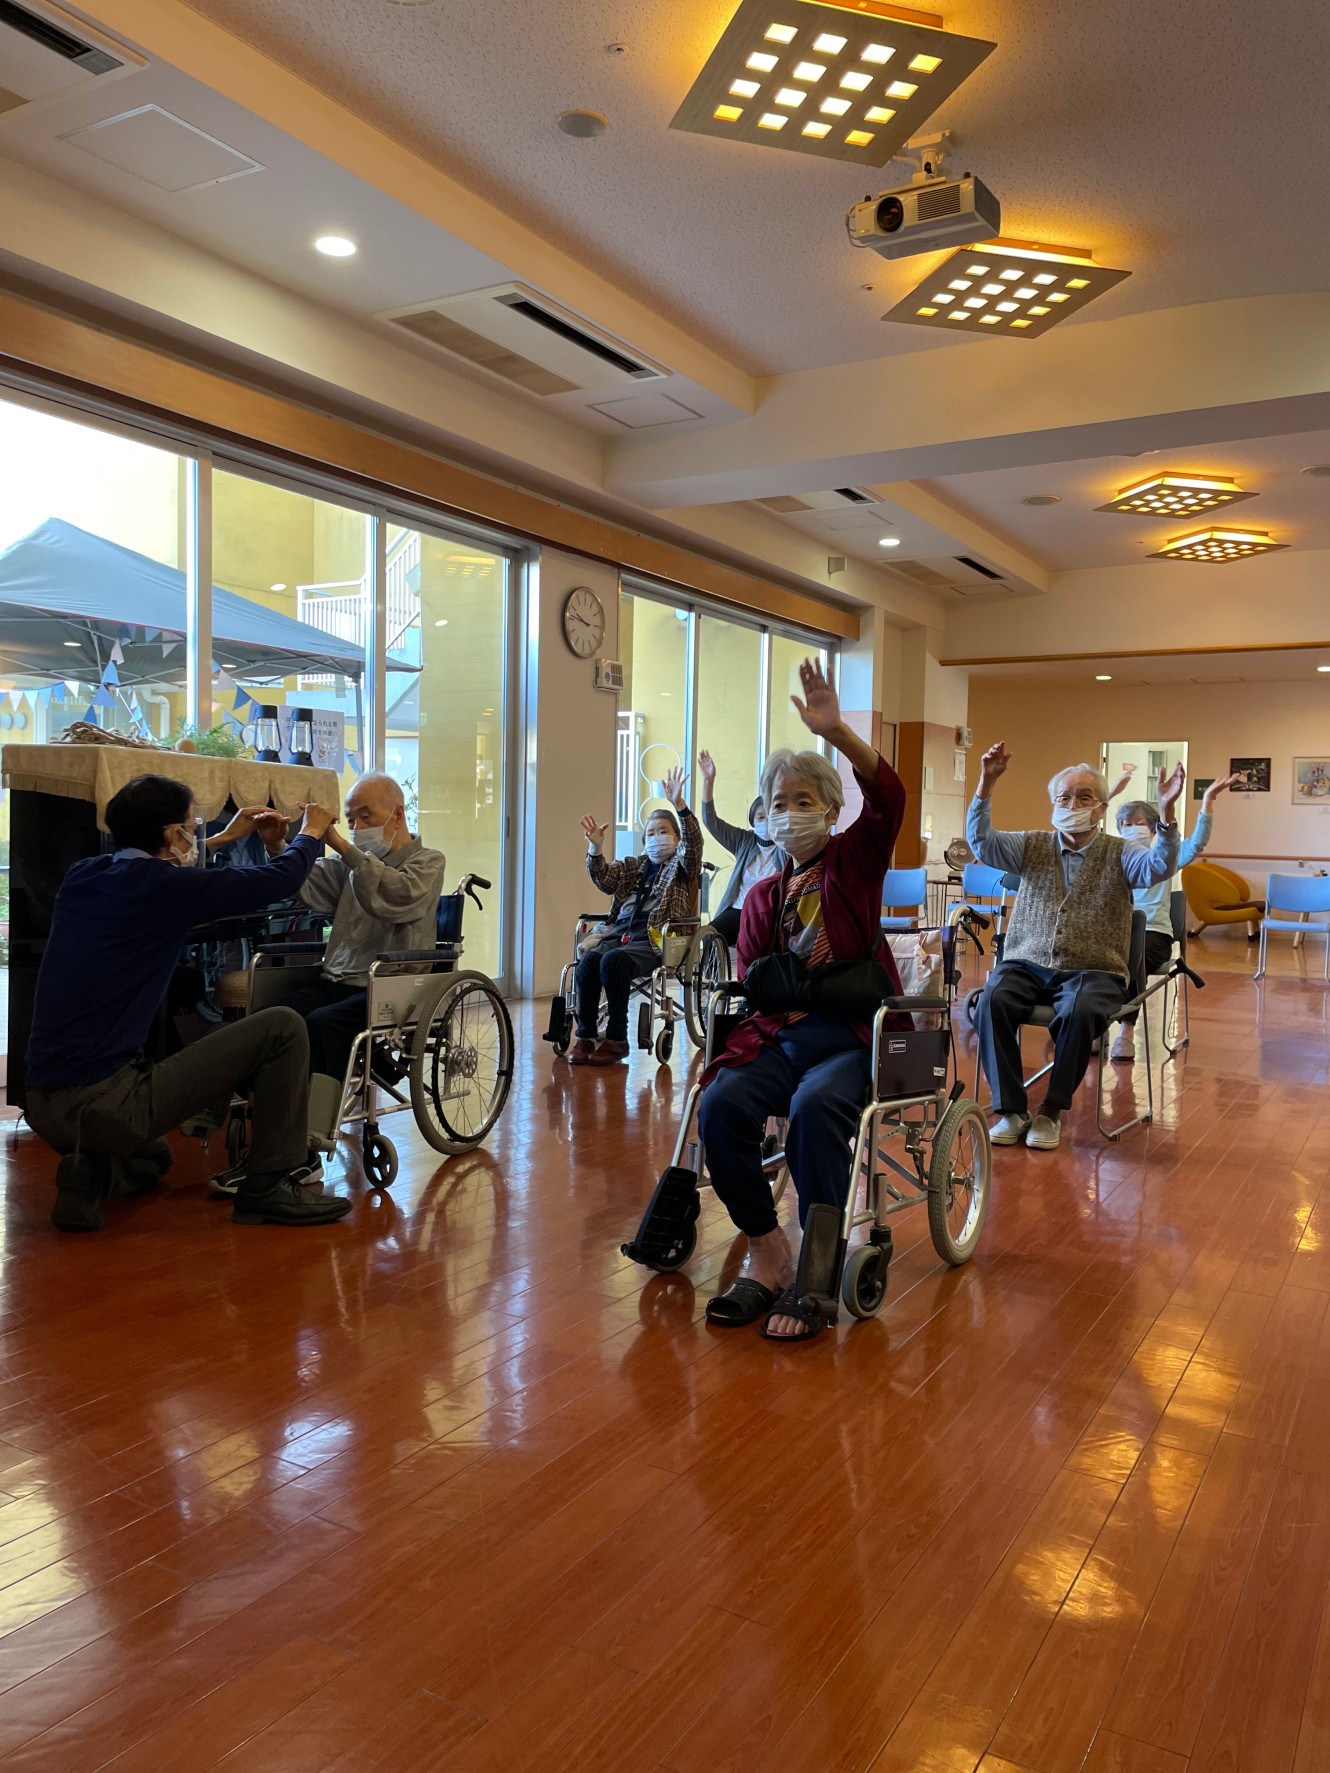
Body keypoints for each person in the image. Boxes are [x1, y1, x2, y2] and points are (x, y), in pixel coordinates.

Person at [23, 775, 351, 1231]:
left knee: (155, 1159)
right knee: (284, 1025)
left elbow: (164, 876)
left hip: (40, 1103)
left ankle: (89, 1172)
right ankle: (270, 1185)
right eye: (191, 827)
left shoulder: (86, 875)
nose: (194, 836)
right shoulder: (163, 888)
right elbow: (280, 880)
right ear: (172, 835)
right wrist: (311, 831)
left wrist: (223, 839)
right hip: (106, 1103)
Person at [698, 659, 906, 1343]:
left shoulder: (854, 863)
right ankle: (768, 1248)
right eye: (777, 802)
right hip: (780, 1039)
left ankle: (818, 1267)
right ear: (763, 813)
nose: (789, 813)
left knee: (817, 1109)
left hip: (850, 1038)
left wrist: (837, 732)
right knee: (720, 1104)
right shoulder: (762, 895)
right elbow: (756, 982)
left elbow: (890, 797)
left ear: (831, 808)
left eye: (803, 800)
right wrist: (800, 986)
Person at [968, 744, 1184, 1151]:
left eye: (1084, 798)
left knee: (1080, 1011)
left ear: (1101, 809)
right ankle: (1011, 1110)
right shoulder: (1030, 845)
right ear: (1053, 803)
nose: (1072, 805)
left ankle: (1050, 1110)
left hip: (1094, 967)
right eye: (1064, 797)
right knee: (992, 1000)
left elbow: (1159, 866)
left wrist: (1168, 813)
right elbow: (982, 843)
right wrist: (987, 782)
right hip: (1026, 961)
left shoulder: (1122, 853)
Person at [255, 771, 446, 1151]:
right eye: (350, 819)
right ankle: (268, 1120)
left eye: (365, 816)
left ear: (397, 815)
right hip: (338, 979)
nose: (356, 827)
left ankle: (312, 1137)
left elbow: (397, 897)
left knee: (322, 1024)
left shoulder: (427, 862)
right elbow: (307, 883)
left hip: (389, 987)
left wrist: (343, 846)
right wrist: (277, 845)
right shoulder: (348, 865)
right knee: (276, 1018)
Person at [571, 766, 702, 1065]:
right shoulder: (635, 866)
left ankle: (617, 1038)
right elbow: (605, 879)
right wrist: (595, 847)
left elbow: (694, 847)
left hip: (657, 936)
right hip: (622, 931)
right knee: (589, 962)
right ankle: (586, 1035)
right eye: (651, 833)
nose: (657, 837)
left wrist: (680, 806)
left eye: (663, 831)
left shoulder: (682, 867)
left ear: (677, 837)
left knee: (613, 961)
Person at [1108, 772, 1238, 1060]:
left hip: (1153, 934)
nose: (1132, 828)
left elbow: (1197, 843)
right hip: (1114, 932)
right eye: (1126, 824)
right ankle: (1092, 1026)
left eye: (1140, 823)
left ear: (1153, 828)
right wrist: (1110, 792)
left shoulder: (1163, 856)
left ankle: (1125, 1033)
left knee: (1132, 957)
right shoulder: (1111, 855)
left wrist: (1208, 800)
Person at [697, 748, 782, 946]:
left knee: (756, 943)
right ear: (753, 821)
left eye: (770, 817)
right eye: (760, 817)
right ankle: (715, 968)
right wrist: (708, 781)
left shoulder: (786, 845)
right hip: (738, 908)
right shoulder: (744, 840)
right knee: (710, 934)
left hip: (768, 913)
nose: (765, 822)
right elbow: (711, 821)